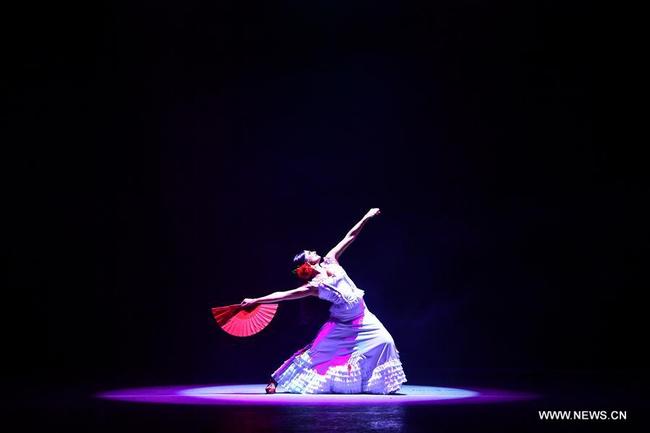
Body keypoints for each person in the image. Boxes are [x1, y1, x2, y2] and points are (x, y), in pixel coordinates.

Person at [240, 208, 407, 394]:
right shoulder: (314, 286)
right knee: (315, 354)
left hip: (363, 317)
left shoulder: (330, 259)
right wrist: (256, 300)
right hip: (342, 324)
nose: (313, 250)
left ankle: (376, 384)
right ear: (306, 263)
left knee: (386, 341)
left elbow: (349, 237)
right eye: (309, 252)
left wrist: (366, 217)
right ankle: (276, 380)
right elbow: (284, 294)